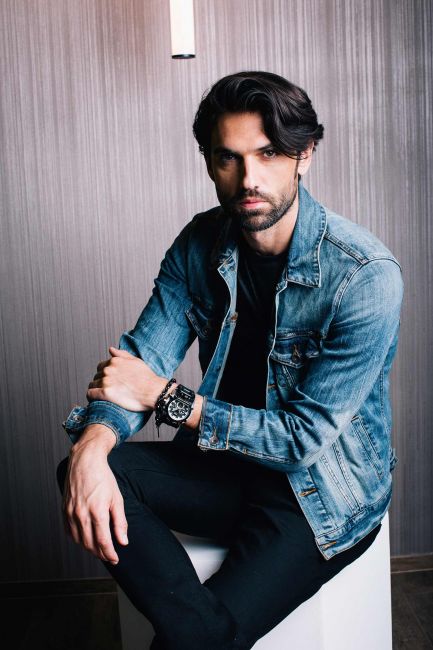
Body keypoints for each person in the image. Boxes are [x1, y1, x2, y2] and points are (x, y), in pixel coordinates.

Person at [57, 71, 403, 649]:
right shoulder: (199, 245)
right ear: (209, 162)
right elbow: (140, 361)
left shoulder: (365, 276)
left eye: (268, 154)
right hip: (225, 469)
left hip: (318, 493)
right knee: (85, 466)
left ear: (304, 155)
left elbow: (300, 441)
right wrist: (90, 448)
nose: (249, 179)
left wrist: (166, 397)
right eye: (229, 158)